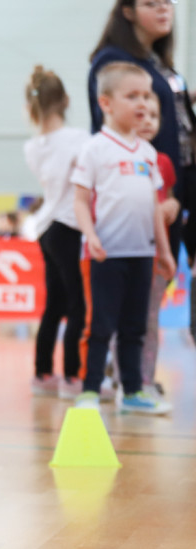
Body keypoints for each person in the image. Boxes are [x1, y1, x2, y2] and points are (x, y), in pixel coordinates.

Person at [89, 0, 196, 357]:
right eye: (152, 3)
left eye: (168, 3)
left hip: (181, 184)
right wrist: (162, 192)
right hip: (153, 193)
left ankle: (133, 373)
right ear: (128, 11)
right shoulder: (113, 62)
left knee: (153, 294)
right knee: (139, 299)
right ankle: (130, 377)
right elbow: (111, 135)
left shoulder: (161, 63)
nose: (165, 9)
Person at [72, 62, 175, 414]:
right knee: (100, 324)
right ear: (106, 103)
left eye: (146, 95)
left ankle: (132, 391)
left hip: (142, 254)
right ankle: (89, 390)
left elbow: (155, 208)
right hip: (105, 254)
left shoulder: (148, 154)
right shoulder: (95, 149)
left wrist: (164, 251)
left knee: (134, 326)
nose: (143, 103)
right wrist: (89, 235)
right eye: (132, 95)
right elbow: (81, 201)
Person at [23, 66, 91, 400]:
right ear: (65, 100)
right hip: (68, 225)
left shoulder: (33, 147)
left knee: (54, 304)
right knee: (77, 304)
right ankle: (72, 377)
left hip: (46, 227)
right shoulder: (80, 139)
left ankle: (42, 372)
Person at [136, 96, 181, 395]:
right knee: (122, 322)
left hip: (154, 255)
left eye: (154, 115)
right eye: (141, 114)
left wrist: (173, 204)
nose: (148, 121)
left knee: (150, 321)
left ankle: (144, 380)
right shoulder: (107, 155)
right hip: (123, 254)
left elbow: (169, 195)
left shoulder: (162, 161)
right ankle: (124, 377)